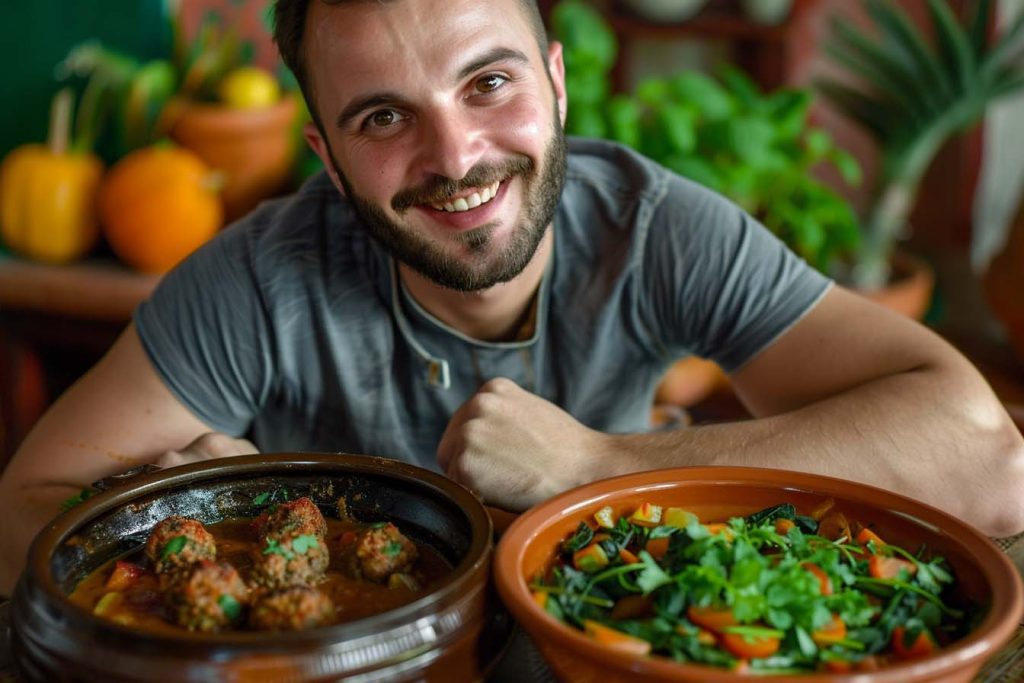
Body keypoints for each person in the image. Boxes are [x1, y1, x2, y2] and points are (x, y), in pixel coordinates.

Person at [1, 0, 1022, 595]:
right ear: (325, 153)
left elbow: (988, 464)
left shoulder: (657, 227)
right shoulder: (253, 279)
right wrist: (224, 505)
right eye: (382, 115)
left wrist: (601, 463)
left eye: (488, 83)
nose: (454, 157)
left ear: (557, 81)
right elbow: (24, 510)